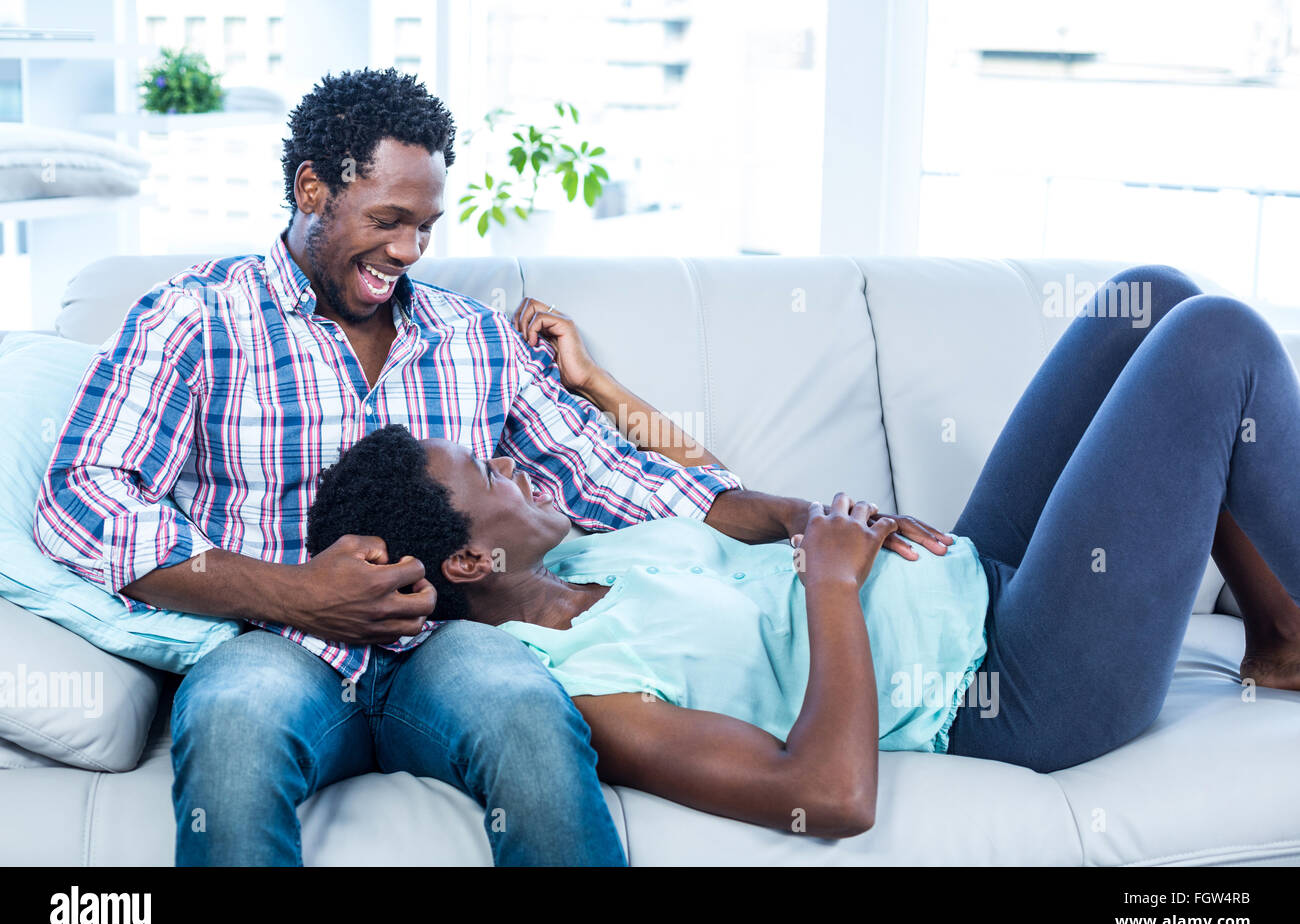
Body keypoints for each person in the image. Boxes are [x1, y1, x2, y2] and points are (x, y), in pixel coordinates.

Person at [35, 68, 930, 865]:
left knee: (530, 719)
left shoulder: (472, 338)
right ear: (311, 188)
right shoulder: (194, 318)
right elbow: (83, 495)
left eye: (425, 226)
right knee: (231, 731)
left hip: (452, 645)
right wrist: (291, 592)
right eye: (386, 220)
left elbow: (610, 475)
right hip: (274, 644)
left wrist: (793, 518)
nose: (408, 252)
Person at [305, 265, 1300, 836]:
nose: (518, 472)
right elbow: (825, 797)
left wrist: (600, 385)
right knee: (1216, 340)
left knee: (1150, 298)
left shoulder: (572, 558)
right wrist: (831, 581)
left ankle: (1279, 632)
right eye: (490, 480)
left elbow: (708, 490)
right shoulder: (583, 685)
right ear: (470, 563)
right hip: (1011, 684)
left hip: (972, 572)